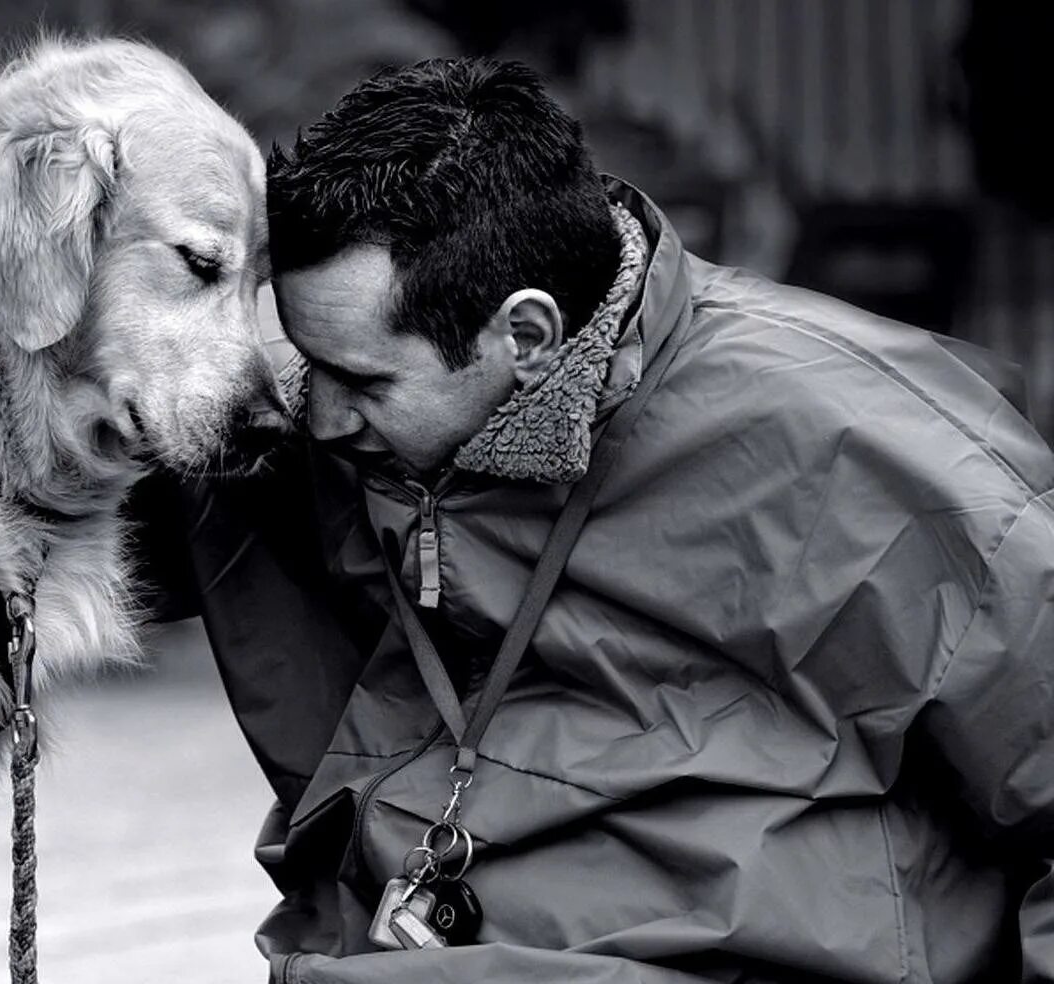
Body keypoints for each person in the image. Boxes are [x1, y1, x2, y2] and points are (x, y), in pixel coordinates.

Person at [132, 56, 1054, 982]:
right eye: (305, 359)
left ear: (525, 337)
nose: (313, 418)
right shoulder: (318, 429)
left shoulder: (886, 458)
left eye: (365, 381)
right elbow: (15, 514)